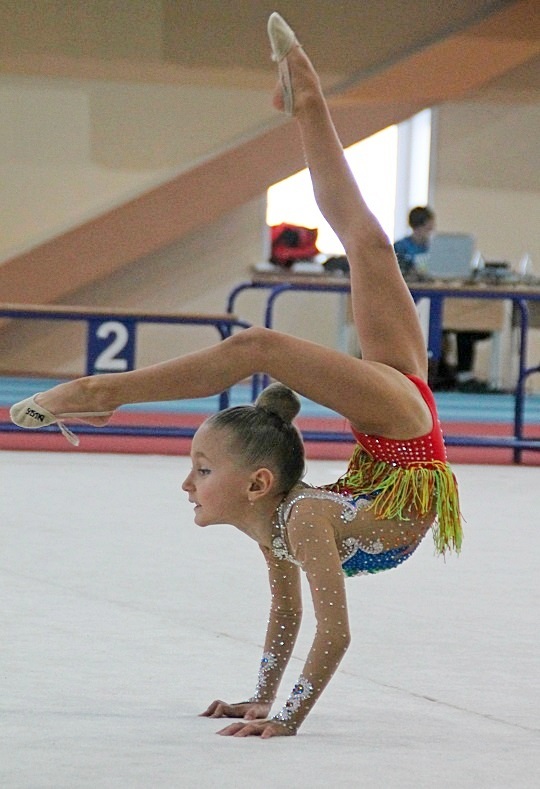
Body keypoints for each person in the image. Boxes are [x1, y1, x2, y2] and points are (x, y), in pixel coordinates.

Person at [9, 13, 462, 739]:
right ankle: (306, 97)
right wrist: (261, 698)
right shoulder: (288, 522)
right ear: (260, 485)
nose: (187, 483)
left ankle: (100, 393)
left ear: (257, 483)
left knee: (263, 340)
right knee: (369, 245)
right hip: (398, 443)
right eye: (197, 468)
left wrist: (285, 719)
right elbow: (292, 614)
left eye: (200, 468)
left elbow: (330, 631)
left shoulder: (297, 517)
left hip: (399, 437)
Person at [394, 208, 492, 392]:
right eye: (429, 228)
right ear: (418, 227)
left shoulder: (436, 248)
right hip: (413, 299)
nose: (432, 232)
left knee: (464, 324)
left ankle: (462, 375)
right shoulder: (400, 247)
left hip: (442, 299)